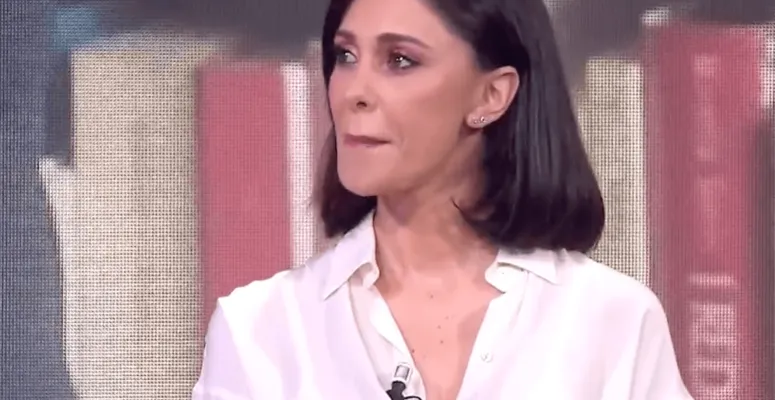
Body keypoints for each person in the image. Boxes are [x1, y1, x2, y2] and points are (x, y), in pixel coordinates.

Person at [192, 0, 694, 398]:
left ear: (491, 95)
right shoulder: (259, 331)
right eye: (345, 56)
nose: (352, 92)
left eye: (399, 60)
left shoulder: (612, 321)